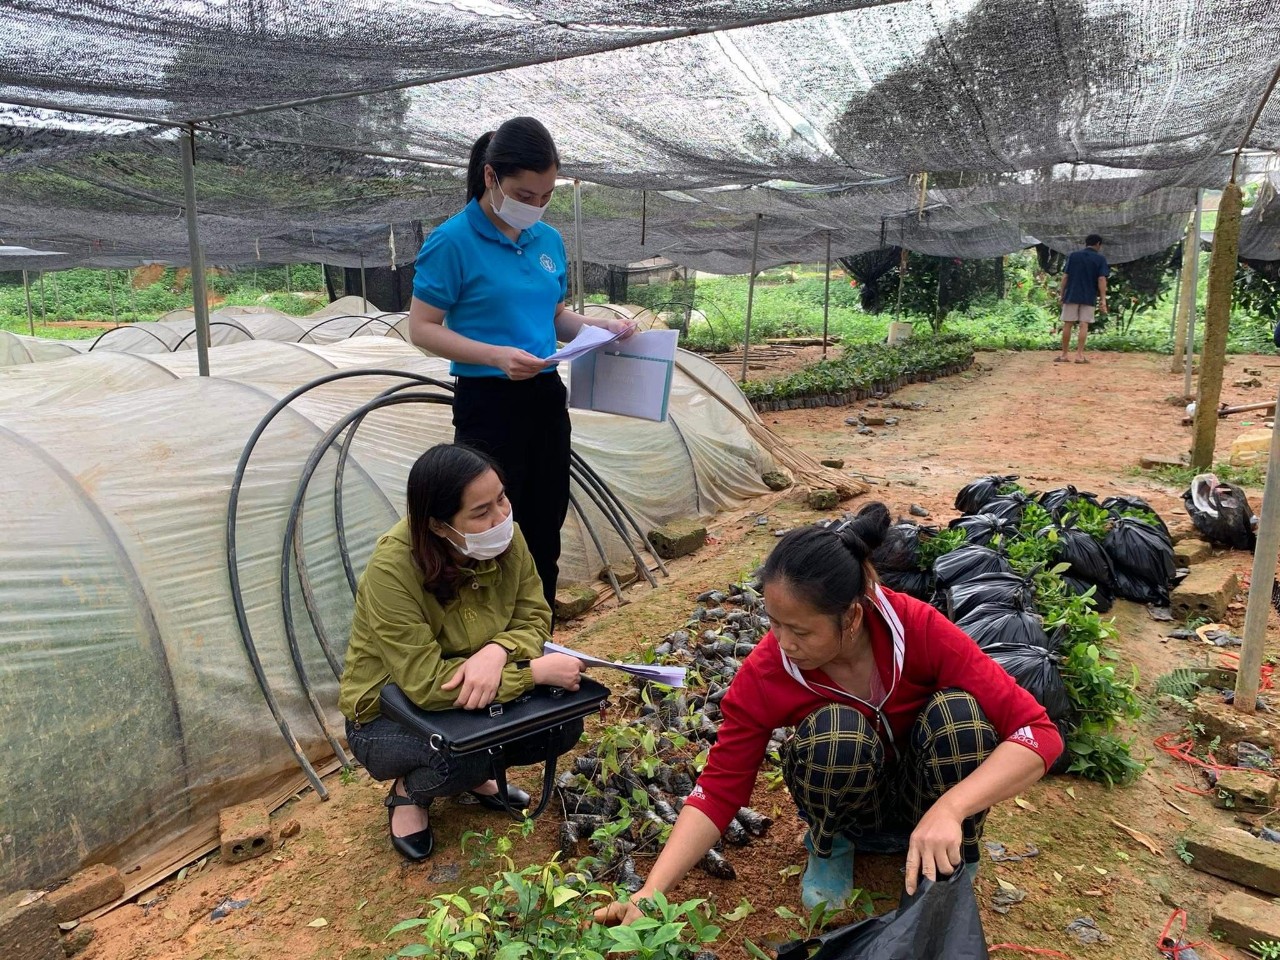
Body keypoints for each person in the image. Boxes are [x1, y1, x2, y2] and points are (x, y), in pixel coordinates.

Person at [596, 503, 1062, 923]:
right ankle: (831, 844)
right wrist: (651, 893)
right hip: (855, 807)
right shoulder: (768, 671)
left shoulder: (917, 629)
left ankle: (955, 850)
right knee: (835, 732)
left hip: (932, 801)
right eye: (773, 623)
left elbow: (1038, 733)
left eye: (799, 630)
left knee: (960, 716)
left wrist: (951, 807)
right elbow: (718, 787)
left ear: (853, 617)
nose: (783, 642)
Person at [407, 117, 633, 613]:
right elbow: (422, 327)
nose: (535, 205)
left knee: (544, 521)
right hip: (488, 404)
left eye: (545, 195)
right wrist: (495, 356)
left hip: (545, 397)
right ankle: (486, 639)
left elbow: (553, 317)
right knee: (487, 526)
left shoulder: (547, 241)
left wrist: (599, 326)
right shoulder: (453, 241)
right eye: (524, 194)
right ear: (491, 178)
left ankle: (539, 636)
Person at [339, 444, 586, 862]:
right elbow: (428, 685)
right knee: (462, 757)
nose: (501, 517)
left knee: (561, 727)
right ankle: (410, 791)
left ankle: (475, 771)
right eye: (480, 512)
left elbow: (534, 618)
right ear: (438, 526)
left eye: (502, 498)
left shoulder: (508, 537)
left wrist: (496, 650)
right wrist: (531, 674)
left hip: (475, 694)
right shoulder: (391, 571)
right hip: (390, 713)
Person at [1057, 234, 1109, 364]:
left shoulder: (1074, 256)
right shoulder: (1100, 259)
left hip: (1072, 294)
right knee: (1083, 324)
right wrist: (1103, 299)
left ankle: (1064, 355)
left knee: (1068, 323)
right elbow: (1101, 279)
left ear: (1086, 243)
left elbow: (1065, 277)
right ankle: (1079, 356)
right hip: (1088, 295)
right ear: (1098, 244)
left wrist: (1061, 294)